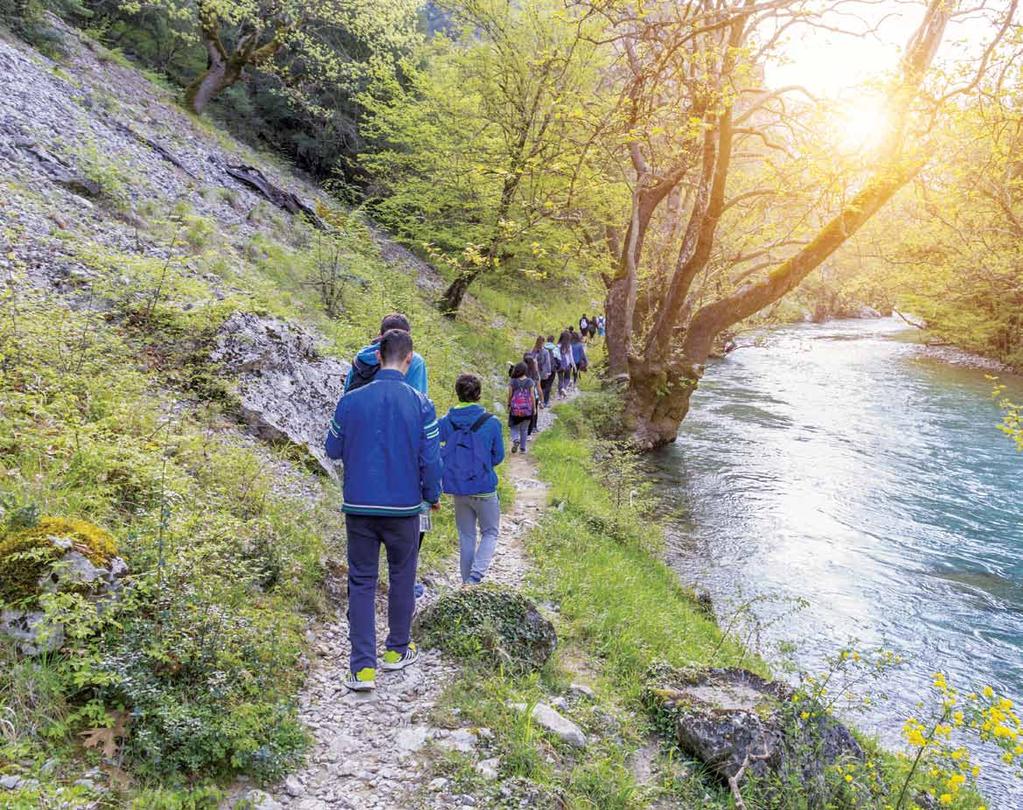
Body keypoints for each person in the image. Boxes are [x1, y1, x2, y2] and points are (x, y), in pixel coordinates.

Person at [325, 329, 442, 692]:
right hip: (404, 508)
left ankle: (361, 669)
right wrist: (432, 494)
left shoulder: (350, 401)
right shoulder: (421, 404)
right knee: (402, 576)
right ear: (409, 359)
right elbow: (431, 460)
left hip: (358, 506)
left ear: (378, 356)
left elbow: (332, 448)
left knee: (361, 581)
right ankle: (396, 651)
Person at [343, 313, 431, 599]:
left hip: (363, 463)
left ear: (379, 336)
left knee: (363, 556)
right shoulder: (414, 362)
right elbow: (419, 410)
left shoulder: (359, 360)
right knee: (412, 524)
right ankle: (405, 585)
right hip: (402, 460)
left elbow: (346, 403)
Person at [438, 374, 505, 585]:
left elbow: (432, 445)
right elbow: (498, 456)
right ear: (478, 394)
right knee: (490, 532)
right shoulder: (491, 422)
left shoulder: (446, 422)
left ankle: (466, 583)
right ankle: (475, 578)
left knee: (466, 536)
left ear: (457, 393)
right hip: (484, 488)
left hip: (459, 489)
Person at [344, 313, 428, 395]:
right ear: (408, 336)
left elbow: (347, 392)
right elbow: (419, 400)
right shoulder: (415, 361)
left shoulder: (362, 356)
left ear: (380, 335)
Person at [507, 361, 537, 453]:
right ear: (525, 370)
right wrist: (534, 408)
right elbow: (532, 396)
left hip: (515, 409)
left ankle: (516, 439)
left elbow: (510, 394)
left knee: (513, 426)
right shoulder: (530, 381)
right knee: (524, 429)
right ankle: (523, 449)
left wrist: (509, 405)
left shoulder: (513, 381)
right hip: (527, 409)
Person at [539, 335, 558, 407]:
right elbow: (559, 360)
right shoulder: (555, 348)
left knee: (541, 385)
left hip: (543, 370)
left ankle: (540, 401)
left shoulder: (542, 348)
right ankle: (546, 402)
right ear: (553, 340)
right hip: (552, 370)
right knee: (548, 386)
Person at [557, 330, 575, 395]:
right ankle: (564, 388)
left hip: (559, 365)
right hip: (567, 364)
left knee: (560, 379)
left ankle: (560, 393)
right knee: (567, 378)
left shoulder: (557, 346)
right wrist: (574, 366)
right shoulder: (569, 346)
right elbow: (571, 357)